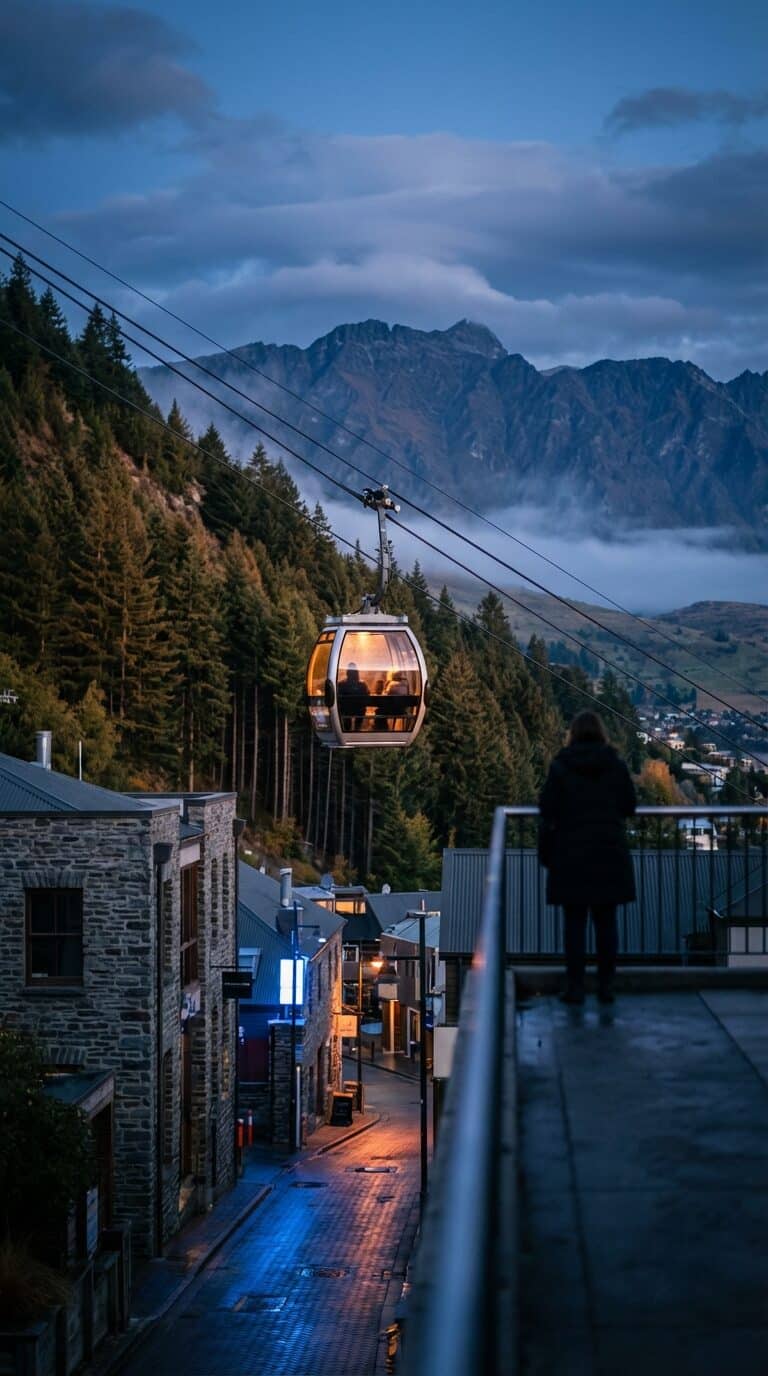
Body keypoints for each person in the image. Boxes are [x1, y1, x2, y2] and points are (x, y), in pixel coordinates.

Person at [538, 710, 636, 1004]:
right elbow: (629, 806)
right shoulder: (615, 765)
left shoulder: (561, 766)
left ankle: (576, 986)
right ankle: (606, 986)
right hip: (608, 852)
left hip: (571, 854)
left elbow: (547, 807)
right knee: (607, 924)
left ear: (573, 734)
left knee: (575, 924)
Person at [338, 663, 368, 732]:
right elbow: (366, 698)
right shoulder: (362, 685)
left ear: (347, 673)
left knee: (346, 714)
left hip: (346, 711)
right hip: (359, 711)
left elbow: (338, 698)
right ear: (357, 673)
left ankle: (347, 730)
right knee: (361, 712)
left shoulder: (341, 684)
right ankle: (357, 729)